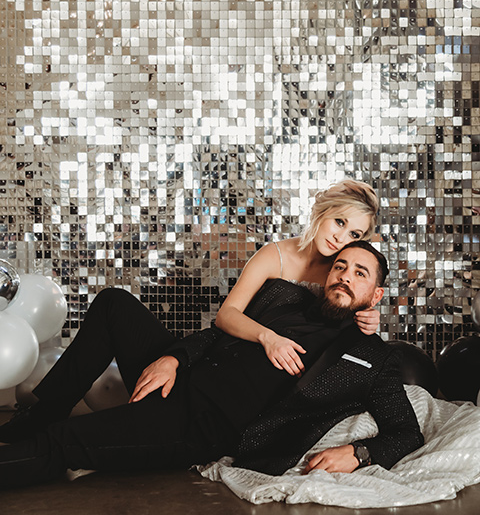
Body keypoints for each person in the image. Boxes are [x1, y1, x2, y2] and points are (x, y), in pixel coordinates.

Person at [0, 241, 424, 488]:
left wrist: (359, 452)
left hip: (199, 423)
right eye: (340, 266)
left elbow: (406, 431)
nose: (345, 276)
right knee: (114, 303)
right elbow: (220, 332)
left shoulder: (373, 357)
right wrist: (172, 356)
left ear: (376, 294)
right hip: (182, 373)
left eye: (360, 273)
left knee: (63, 442)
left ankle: (38, 435)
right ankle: (37, 414)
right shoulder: (285, 299)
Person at [216, 179, 381, 376]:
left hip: (308, 372)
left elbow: (343, 326)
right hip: (249, 358)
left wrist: (368, 317)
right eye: (339, 222)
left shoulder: (342, 274)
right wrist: (268, 338)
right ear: (320, 211)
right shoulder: (274, 256)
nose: (341, 238)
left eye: (354, 234)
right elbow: (226, 315)